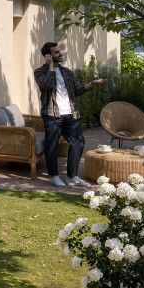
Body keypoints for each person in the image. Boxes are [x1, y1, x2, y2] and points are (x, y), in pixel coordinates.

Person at [34, 42, 105, 188]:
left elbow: (77, 90)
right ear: (48, 56)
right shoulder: (40, 72)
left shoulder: (67, 72)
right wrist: (50, 66)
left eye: (59, 51)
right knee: (52, 145)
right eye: (56, 52)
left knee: (78, 142)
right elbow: (46, 85)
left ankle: (72, 177)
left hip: (70, 114)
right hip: (52, 115)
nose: (60, 54)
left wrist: (92, 83)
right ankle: (53, 176)